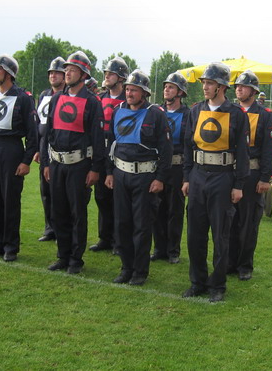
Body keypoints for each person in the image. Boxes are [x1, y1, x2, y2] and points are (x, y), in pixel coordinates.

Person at [181, 62, 250, 303]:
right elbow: (187, 146)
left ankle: (217, 284)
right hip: (198, 175)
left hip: (223, 177)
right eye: (204, 83)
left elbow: (243, 152)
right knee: (195, 233)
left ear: (221, 87)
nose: (205, 87)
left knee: (221, 235)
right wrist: (186, 178)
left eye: (209, 83)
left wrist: (239, 185)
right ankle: (197, 282)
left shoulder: (236, 114)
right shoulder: (195, 111)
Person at [105, 70, 172, 286]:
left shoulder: (156, 114)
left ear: (144, 93)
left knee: (142, 226)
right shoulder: (118, 111)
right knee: (121, 223)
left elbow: (166, 150)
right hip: (120, 175)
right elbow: (110, 143)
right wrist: (109, 172)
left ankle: (140, 271)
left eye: (134, 90)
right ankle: (126, 268)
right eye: (127, 89)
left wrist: (160, 178)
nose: (129, 93)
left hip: (145, 177)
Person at [40, 51, 105, 274]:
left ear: (84, 75)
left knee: (77, 213)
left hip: (79, 165)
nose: (67, 73)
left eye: (73, 70)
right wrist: (47, 163)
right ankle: (62, 255)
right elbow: (48, 133)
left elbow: (98, 138)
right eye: (66, 69)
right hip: (57, 164)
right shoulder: (56, 99)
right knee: (58, 211)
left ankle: (76, 259)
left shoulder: (92, 102)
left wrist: (95, 169)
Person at [0, 54, 37, 262]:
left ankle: (10, 246)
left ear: (8, 73)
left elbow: (32, 133)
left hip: (11, 149)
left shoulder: (23, 98)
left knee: (10, 200)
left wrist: (26, 160)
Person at [229, 71, 272, 281]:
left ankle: (244, 265)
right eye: (237, 86)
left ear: (254, 91)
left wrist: (265, 178)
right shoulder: (229, 111)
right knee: (229, 220)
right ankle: (229, 262)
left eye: (244, 86)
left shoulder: (265, 115)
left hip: (252, 173)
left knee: (248, 222)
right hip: (229, 172)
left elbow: (270, 149)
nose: (239, 89)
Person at [90, 57, 129, 253]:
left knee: (118, 199)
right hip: (101, 151)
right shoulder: (99, 98)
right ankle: (104, 237)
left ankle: (118, 239)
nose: (106, 76)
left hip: (119, 152)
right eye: (106, 73)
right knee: (101, 196)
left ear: (121, 78)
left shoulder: (127, 100)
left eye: (111, 73)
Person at [152, 72, 190, 264]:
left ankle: (173, 250)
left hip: (177, 167)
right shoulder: (156, 112)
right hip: (158, 167)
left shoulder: (188, 115)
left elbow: (189, 145)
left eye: (171, 87)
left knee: (175, 210)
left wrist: (186, 176)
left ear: (180, 92)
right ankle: (159, 248)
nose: (166, 89)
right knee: (157, 208)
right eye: (166, 86)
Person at [34, 57, 67, 242]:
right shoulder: (44, 95)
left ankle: (62, 227)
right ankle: (49, 228)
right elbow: (38, 122)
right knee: (45, 190)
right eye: (51, 73)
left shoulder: (67, 95)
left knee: (60, 192)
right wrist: (37, 148)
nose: (53, 75)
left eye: (57, 73)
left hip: (60, 147)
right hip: (44, 146)